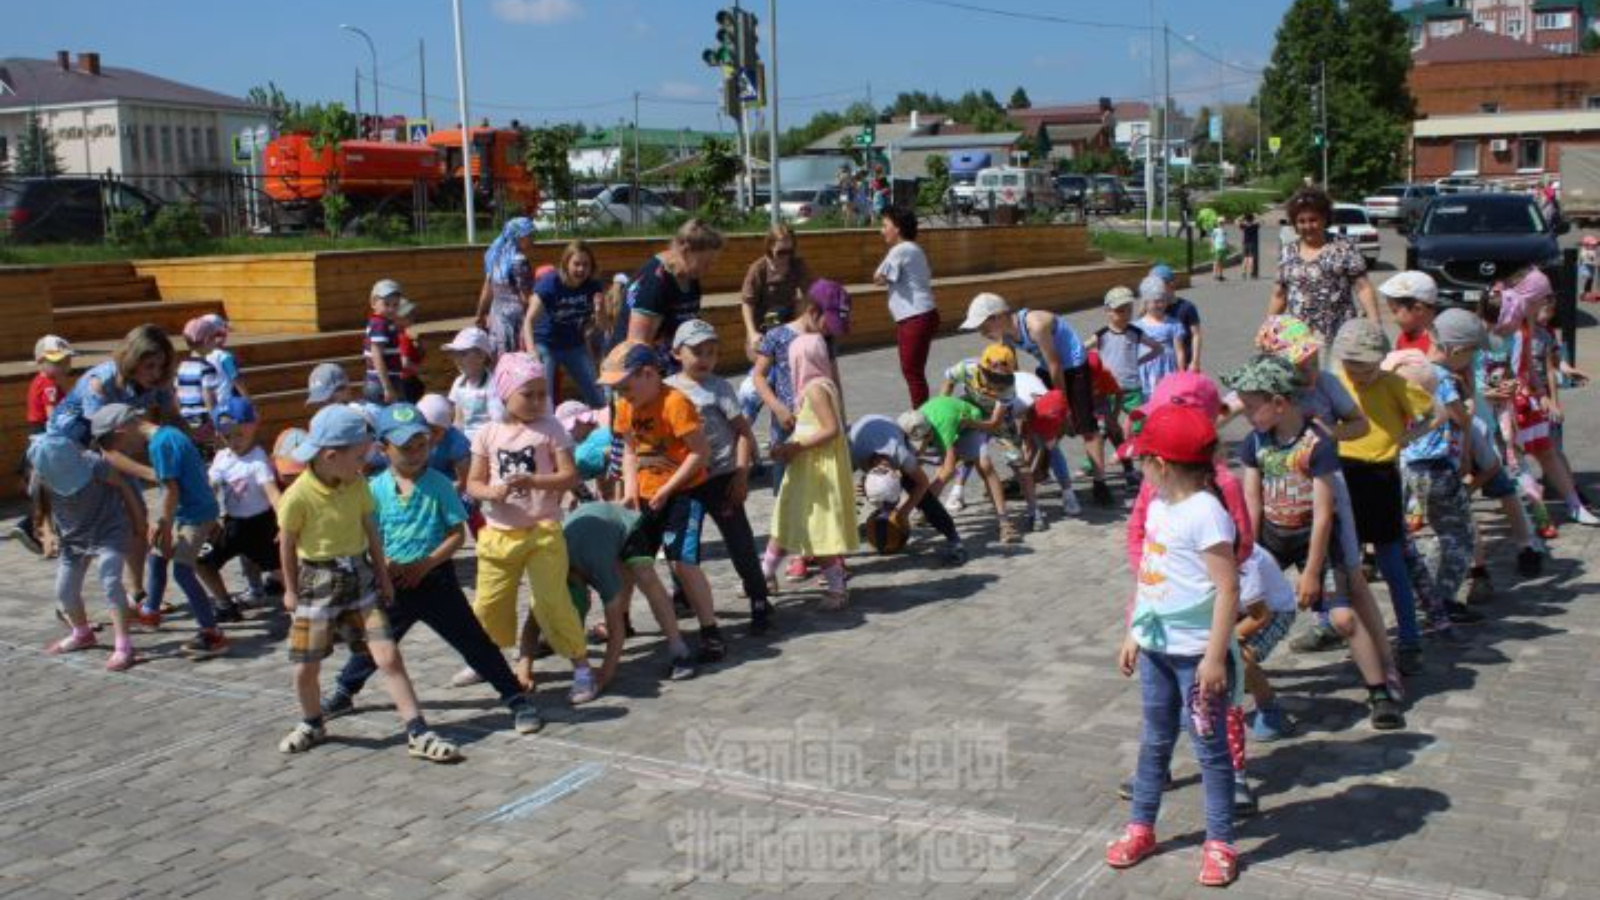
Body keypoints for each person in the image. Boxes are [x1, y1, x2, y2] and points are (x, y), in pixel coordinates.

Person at [319, 403, 544, 734]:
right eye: (404, 448)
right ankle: (344, 691)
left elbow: (456, 535)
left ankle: (515, 697)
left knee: (474, 642)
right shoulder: (373, 490)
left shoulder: (440, 484)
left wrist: (426, 563)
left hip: (437, 581)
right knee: (374, 643)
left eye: (421, 445)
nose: (414, 454)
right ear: (383, 449)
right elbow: (368, 537)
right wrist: (382, 567)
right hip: (392, 584)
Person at [1224, 354, 1405, 730]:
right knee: (1239, 610)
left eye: (1251, 406)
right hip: (1275, 534)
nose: (1246, 415)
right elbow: (1253, 503)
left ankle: (1379, 692)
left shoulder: (1318, 443)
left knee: (1342, 617)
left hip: (1316, 538)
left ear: (1278, 403)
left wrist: (1310, 572)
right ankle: (1244, 684)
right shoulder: (1254, 443)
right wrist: (1250, 556)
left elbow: (1324, 514)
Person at [275, 405, 462, 762]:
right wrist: (290, 590)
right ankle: (312, 722)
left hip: (360, 579)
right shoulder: (298, 495)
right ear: (331, 456)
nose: (365, 463)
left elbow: (370, 529)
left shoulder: (357, 483)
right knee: (305, 666)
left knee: (388, 656)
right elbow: (286, 542)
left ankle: (418, 731)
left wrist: (380, 573)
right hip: (317, 582)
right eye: (359, 456)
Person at [1107, 403, 1240, 887]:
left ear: (1160, 465)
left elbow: (1228, 589)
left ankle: (1221, 840)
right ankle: (1142, 826)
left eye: (1140, 460)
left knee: (1210, 749)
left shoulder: (1205, 513)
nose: (1137, 468)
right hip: (1157, 651)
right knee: (1155, 741)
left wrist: (1212, 658)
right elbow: (1151, 575)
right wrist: (1134, 632)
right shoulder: (1160, 506)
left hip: (1196, 659)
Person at [463, 353, 597, 702]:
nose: (538, 401)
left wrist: (535, 480)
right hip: (498, 533)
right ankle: (484, 659)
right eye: (529, 394)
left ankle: (582, 667)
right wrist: (490, 491)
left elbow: (569, 475)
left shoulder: (551, 428)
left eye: (542, 393)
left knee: (554, 601)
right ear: (505, 394)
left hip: (543, 531)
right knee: (489, 604)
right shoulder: (487, 433)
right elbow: (473, 484)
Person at [601, 341, 726, 672]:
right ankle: (622, 621)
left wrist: (669, 489)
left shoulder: (676, 403)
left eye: (625, 386)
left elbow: (700, 453)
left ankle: (711, 631)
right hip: (645, 494)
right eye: (616, 388)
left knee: (682, 564)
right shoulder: (626, 404)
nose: (620, 393)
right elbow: (629, 450)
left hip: (685, 492)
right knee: (628, 561)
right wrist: (630, 489)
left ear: (649, 374)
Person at [1330, 319, 1438, 676]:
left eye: (1365, 366)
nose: (1358, 374)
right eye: (1351, 365)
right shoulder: (1337, 382)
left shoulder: (1394, 384)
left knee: (1392, 563)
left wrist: (1405, 439)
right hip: (1341, 473)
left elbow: (1434, 413)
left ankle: (1408, 637)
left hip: (1379, 476)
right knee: (1343, 563)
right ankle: (1333, 626)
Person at [92, 404, 229, 660]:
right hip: (191, 510)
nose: (122, 451)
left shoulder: (160, 445)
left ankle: (212, 633)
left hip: (195, 515)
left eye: (116, 443)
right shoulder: (169, 435)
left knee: (182, 570)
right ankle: (151, 611)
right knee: (156, 557)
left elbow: (171, 490)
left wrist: (163, 524)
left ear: (122, 429)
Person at [666, 320, 774, 633]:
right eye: (697, 351)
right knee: (683, 547)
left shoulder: (719, 388)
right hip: (685, 482)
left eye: (711, 352)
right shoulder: (667, 389)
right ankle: (684, 595)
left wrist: (741, 475)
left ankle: (758, 598)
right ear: (676, 352)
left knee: (739, 542)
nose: (705, 358)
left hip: (722, 478)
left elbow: (742, 432)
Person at [964, 290, 1110, 510]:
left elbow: (1056, 364)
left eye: (983, 327)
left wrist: (1062, 404)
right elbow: (1013, 371)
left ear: (997, 317)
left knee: (1084, 426)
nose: (982, 333)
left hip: (1073, 367)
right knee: (1034, 425)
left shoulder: (1036, 325)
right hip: (1048, 369)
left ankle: (1100, 482)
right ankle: (1034, 473)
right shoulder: (1006, 335)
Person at [1401, 309, 1495, 630]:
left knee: (1441, 534)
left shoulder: (1416, 368)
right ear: (1455, 351)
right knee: (1459, 535)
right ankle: (1442, 599)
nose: (1471, 361)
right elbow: (1458, 416)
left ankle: (1426, 593)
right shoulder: (1441, 378)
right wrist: (1468, 405)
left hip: (1413, 464)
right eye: (1470, 353)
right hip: (1436, 468)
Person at [28, 434, 143, 671]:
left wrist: (138, 521)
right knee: (64, 590)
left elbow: (123, 487)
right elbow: (41, 506)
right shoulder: (41, 474)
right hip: (73, 538)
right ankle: (82, 633)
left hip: (108, 529)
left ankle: (123, 646)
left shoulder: (94, 463)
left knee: (110, 580)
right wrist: (48, 533)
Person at [762, 334, 860, 609]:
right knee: (785, 519)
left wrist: (795, 447)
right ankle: (764, 576)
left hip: (815, 476)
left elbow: (831, 429)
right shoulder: (820, 387)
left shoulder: (816, 389)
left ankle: (837, 589)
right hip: (805, 470)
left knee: (816, 530)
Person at [748, 281, 853, 495]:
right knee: (784, 490)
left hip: (818, 428)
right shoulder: (777, 336)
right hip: (786, 429)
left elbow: (834, 380)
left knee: (815, 492)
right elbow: (758, 376)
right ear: (813, 311)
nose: (830, 329)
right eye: (829, 322)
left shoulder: (826, 339)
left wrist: (841, 421)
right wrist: (777, 407)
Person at [195, 397, 282, 622]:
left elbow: (274, 495)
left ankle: (309, 607)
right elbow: (210, 488)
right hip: (233, 523)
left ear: (253, 426)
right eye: (227, 436)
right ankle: (225, 604)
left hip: (262, 526)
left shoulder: (257, 460)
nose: (233, 441)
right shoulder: (221, 458)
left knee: (283, 571)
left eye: (239, 434)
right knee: (202, 560)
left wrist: (285, 524)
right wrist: (206, 518)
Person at [938, 343, 1031, 540]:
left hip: (994, 420)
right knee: (954, 462)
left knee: (1017, 460)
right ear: (982, 368)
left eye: (1003, 379)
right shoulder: (966, 367)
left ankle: (1032, 511)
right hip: (970, 411)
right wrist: (943, 407)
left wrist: (971, 423)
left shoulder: (1009, 387)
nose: (997, 385)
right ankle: (928, 506)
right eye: (993, 378)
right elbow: (948, 379)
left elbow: (995, 423)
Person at [849, 413, 966, 566]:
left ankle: (953, 538)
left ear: (897, 475)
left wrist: (904, 512)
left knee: (924, 497)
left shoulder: (903, 456)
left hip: (890, 430)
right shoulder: (850, 455)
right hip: (864, 433)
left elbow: (923, 484)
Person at [1269, 187, 1382, 344]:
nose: (1308, 226)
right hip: (1299, 341)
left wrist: (1375, 322)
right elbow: (1279, 295)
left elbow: (1363, 287)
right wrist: (1269, 328)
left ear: (1324, 219)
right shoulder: (1288, 252)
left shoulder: (1344, 247)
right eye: (1301, 221)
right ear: (1295, 224)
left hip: (1340, 337)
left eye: (1313, 219)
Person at [615, 219, 725, 356]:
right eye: (705, 263)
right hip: (635, 368)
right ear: (685, 251)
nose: (709, 269)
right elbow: (637, 345)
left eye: (712, 263)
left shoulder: (691, 276)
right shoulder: (655, 281)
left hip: (667, 363)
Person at [874, 205, 940, 408]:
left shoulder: (900, 250)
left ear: (898, 228)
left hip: (915, 317)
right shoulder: (914, 248)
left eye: (885, 225)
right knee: (914, 371)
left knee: (912, 372)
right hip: (921, 315)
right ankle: (922, 416)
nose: (881, 230)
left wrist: (880, 275)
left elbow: (879, 278)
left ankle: (921, 420)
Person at [14, 335, 74, 556]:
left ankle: (40, 532)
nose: (63, 366)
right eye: (56, 362)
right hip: (47, 438)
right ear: (40, 361)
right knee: (52, 488)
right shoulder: (49, 386)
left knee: (47, 490)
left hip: (38, 436)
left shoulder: (39, 381)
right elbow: (53, 416)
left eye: (65, 361)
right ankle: (36, 529)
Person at [526, 239, 605, 407]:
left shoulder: (593, 286)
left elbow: (602, 327)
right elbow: (528, 321)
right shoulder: (550, 283)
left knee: (598, 395)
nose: (581, 269)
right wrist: (532, 352)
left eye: (586, 265)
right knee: (543, 399)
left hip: (573, 344)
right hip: (545, 344)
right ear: (566, 263)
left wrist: (599, 311)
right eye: (576, 264)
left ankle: (604, 429)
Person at [741, 224, 815, 361]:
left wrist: (807, 325)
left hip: (787, 323)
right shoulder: (758, 269)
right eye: (781, 252)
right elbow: (747, 304)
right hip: (762, 326)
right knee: (765, 366)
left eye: (789, 251)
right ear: (770, 247)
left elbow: (809, 295)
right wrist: (752, 333)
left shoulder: (797, 265)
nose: (786, 256)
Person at [475, 217, 538, 359]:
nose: (533, 239)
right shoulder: (519, 261)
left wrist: (479, 314)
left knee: (500, 361)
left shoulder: (495, 256)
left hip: (497, 317)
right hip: (516, 320)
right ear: (519, 237)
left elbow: (487, 289)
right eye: (529, 235)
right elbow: (525, 297)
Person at [176, 316, 226, 445]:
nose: (216, 342)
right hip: (204, 419)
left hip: (186, 419)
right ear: (206, 340)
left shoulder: (181, 366)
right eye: (214, 338)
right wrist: (216, 421)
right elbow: (209, 398)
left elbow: (177, 394)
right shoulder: (207, 368)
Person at [442, 326, 497, 441]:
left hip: (487, 441)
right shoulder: (459, 382)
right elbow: (458, 419)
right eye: (455, 354)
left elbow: (496, 419)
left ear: (482, 356)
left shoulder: (493, 384)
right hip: (465, 443)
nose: (457, 359)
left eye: (463, 354)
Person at [1135, 276, 1187, 397]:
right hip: (1145, 368)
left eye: (1162, 300)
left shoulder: (1174, 324)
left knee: (1166, 398)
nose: (1159, 304)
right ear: (1146, 303)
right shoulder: (1136, 326)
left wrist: (1181, 373)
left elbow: (1179, 351)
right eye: (1155, 301)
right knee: (1146, 400)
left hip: (1167, 367)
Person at [1149, 264, 1203, 372]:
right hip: (1160, 364)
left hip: (1185, 362)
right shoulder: (1152, 308)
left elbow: (1196, 334)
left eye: (1158, 285)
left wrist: (1195, 360)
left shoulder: (1187, 307)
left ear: (1171, 284)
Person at [362, 279, 406, 405]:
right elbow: (377, 355)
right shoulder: (379, 324)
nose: (391, 309)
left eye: (395, 305)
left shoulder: (384, 323)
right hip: (382, 382)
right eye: (386, 304)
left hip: (384, 380)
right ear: (373, 303)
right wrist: (387, 387)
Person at [1382, 270, 1440, 355]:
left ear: (1418, 309)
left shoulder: (1437, 345)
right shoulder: (1404, 336)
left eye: (1395, 311)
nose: (1393, 319)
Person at [394, 298, 426, 403]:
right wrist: (421, 370)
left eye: (412, 313)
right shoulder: (403, 338)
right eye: (408, 315)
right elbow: (405, 363)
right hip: (407, 381)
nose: (413, 317)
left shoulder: (396, 336)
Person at [1239, 212, 1260, 280]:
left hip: (1245, 242)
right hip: (1253, 243)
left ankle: (1244, 273)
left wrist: (1241, 217)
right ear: (1252, 219)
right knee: (1251, 258)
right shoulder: (1255, 225)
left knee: (1245, 258)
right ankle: (1251, 273)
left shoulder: (1244, 226)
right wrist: (1257, 217)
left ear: (1246, 219)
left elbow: (1236, 221)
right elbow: (1262, 222)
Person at [1210, 216, 1229, 281]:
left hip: (1223, 247)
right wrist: (1212, 246)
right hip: (1217, 247)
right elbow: (1212, 238)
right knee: (1216, 261)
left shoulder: (1224, 230)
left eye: (1222, 222)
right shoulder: (1215, 230)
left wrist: (1227, 246)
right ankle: (1215, 275)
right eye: (1220, 222)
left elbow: (1225, 239)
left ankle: (1220, 275)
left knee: (1221, 262)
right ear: (1218, 223)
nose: (1221, 224)